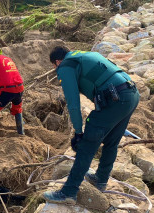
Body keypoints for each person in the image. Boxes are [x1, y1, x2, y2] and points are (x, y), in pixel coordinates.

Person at [43, 46, 140, 204]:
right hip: (131, 94)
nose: (56, 70)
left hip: (116, 98)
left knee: (87, 145)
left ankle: (68, 192)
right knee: (111, 142)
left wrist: (79, 132)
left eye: (54, 67)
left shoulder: (65, 66)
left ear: (57, 62)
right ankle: (100, 180)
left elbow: (73, 103)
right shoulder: (83, 55)